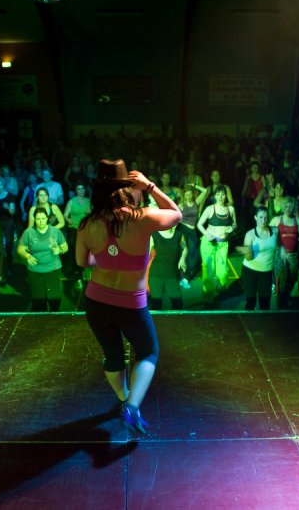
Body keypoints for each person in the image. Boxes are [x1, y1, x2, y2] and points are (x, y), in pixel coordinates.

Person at [75, 159, 181, 435]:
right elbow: (176, 214)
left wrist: (106, 259)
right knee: (147, 352)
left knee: (113, 355)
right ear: (128, 188)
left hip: (96, 302)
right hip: (130, 303)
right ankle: (132, 407)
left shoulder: (87, 224)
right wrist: (151, 186)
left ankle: (123, 398)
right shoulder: (142, 218)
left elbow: (83, 261)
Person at [17, 206, 68, 311]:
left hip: (53, 269)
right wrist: (27, 255)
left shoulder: (55, 231)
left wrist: (59, 250)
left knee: (54, 299)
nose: (41, 221)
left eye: (43, 218)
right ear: (34, 219)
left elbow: (65, 247)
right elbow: (20, 249)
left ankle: (54, 317)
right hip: (35, 271)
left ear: (47, 218)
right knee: (38, 301)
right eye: (38, 219)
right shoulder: (28, 232)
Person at [197, 187, 237, 296]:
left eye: (223, 194)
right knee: (209, 272)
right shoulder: (210, 209)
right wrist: (206, 234)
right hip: (209, 243)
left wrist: (232, 229)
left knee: (223, 273)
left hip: (223, 244)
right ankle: (208, 297)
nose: (220, 197)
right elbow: (199, 224)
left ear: (226, 196)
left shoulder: (231, 209)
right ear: (214, 196)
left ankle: (219, 289)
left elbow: (234, 224)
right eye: (218, 194)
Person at [271, 197, 299, 308]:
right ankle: (281, 301)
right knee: (282, 279)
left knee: (292, 278)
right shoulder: (276, 220)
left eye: (290, 207)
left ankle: (285, 296)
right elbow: (269, 234)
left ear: (294, 208)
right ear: (282, 207)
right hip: (280, 255)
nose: (288, 209)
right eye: (286, 206)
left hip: (293, 255)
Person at [239, 207, 277, 310]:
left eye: (266, 217)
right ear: (255, 217)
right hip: (250, 271)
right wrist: (248, 251)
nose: (263, 220)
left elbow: (280, 245)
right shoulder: (250, 234)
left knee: (265, 305)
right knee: (250, 303)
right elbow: (248, 258)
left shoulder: (275, 231)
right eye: (260, 217)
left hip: (266, 272)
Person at [148, 224, 188, 310]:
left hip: (172, 275)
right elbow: (146, 253)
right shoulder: (154, 234)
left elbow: (185, 248)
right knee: (156, 305)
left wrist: (183, 259)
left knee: (178, 305)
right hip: (156, 275)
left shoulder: (179, 235)